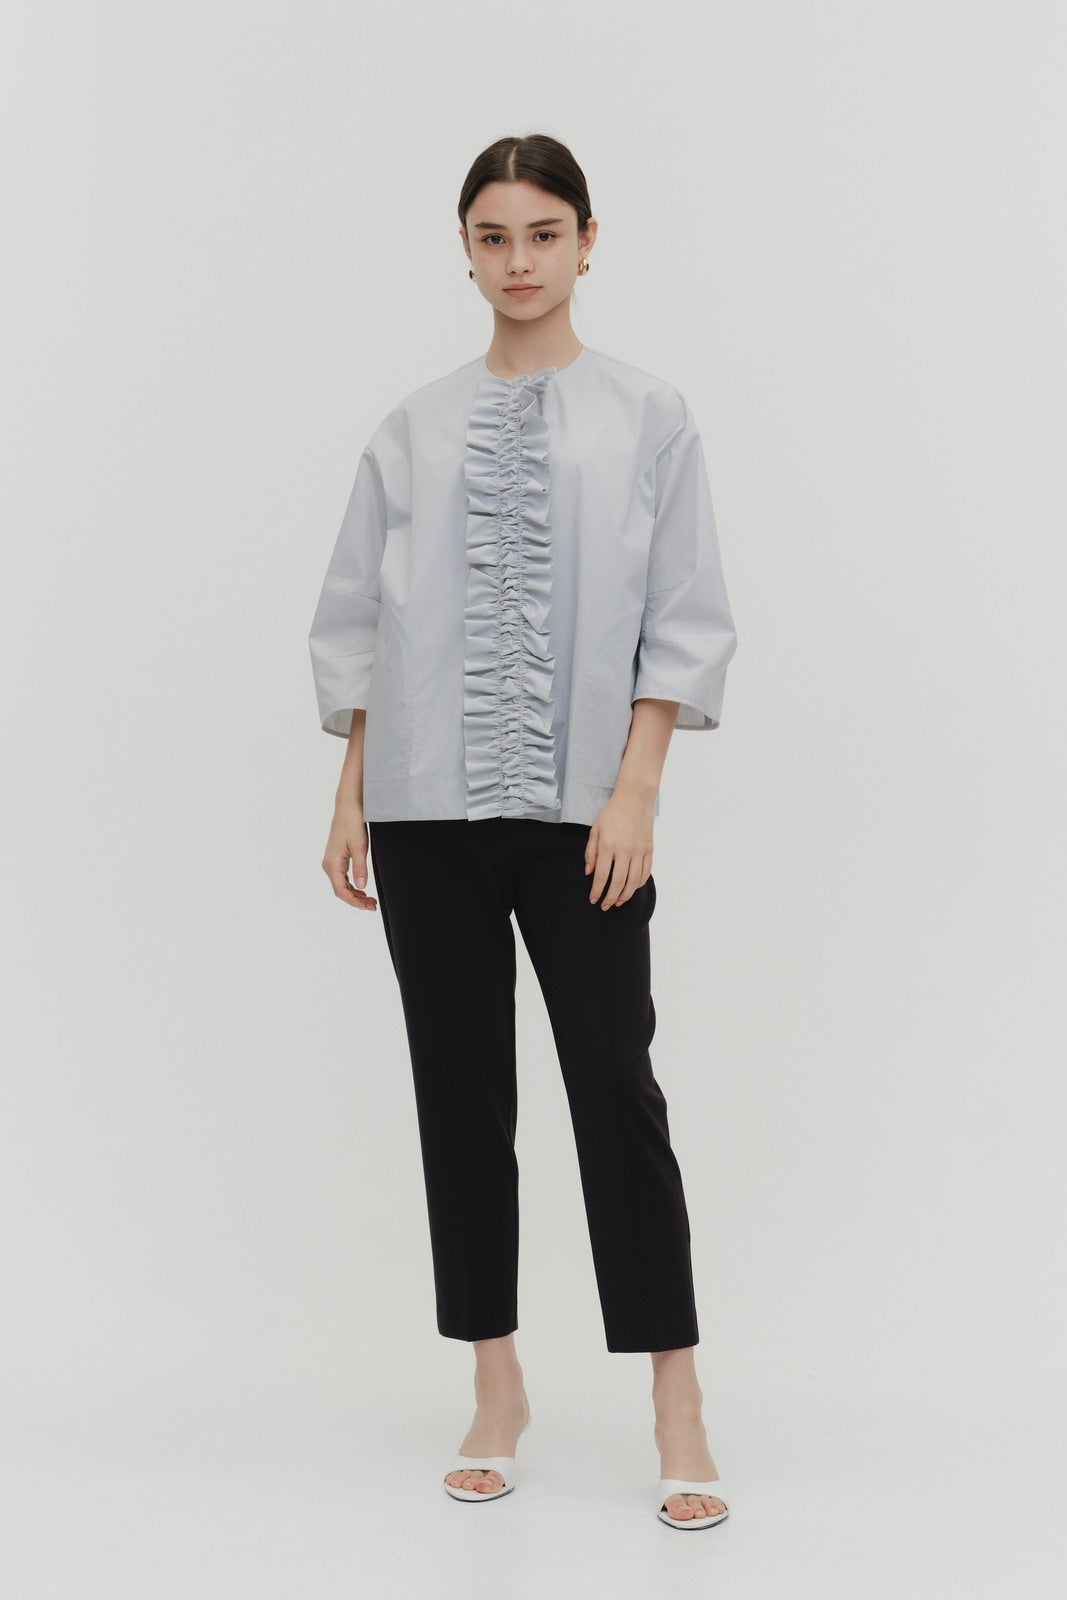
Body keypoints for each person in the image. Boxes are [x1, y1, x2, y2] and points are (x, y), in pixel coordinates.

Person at [307, 133, 738, 1530]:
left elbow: (683, 612)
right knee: (459, 1094)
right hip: (423, 807)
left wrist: (637, 790)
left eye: (543, 233)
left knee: (615, 1087)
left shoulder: (650, 417)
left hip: (584, 816)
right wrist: (352, 790)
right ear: (466, 250)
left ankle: (676, 1394)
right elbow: (363, 620)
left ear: (588, 241)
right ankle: (495, 1383)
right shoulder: (412, 429)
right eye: (492, 236)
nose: (518, 260)